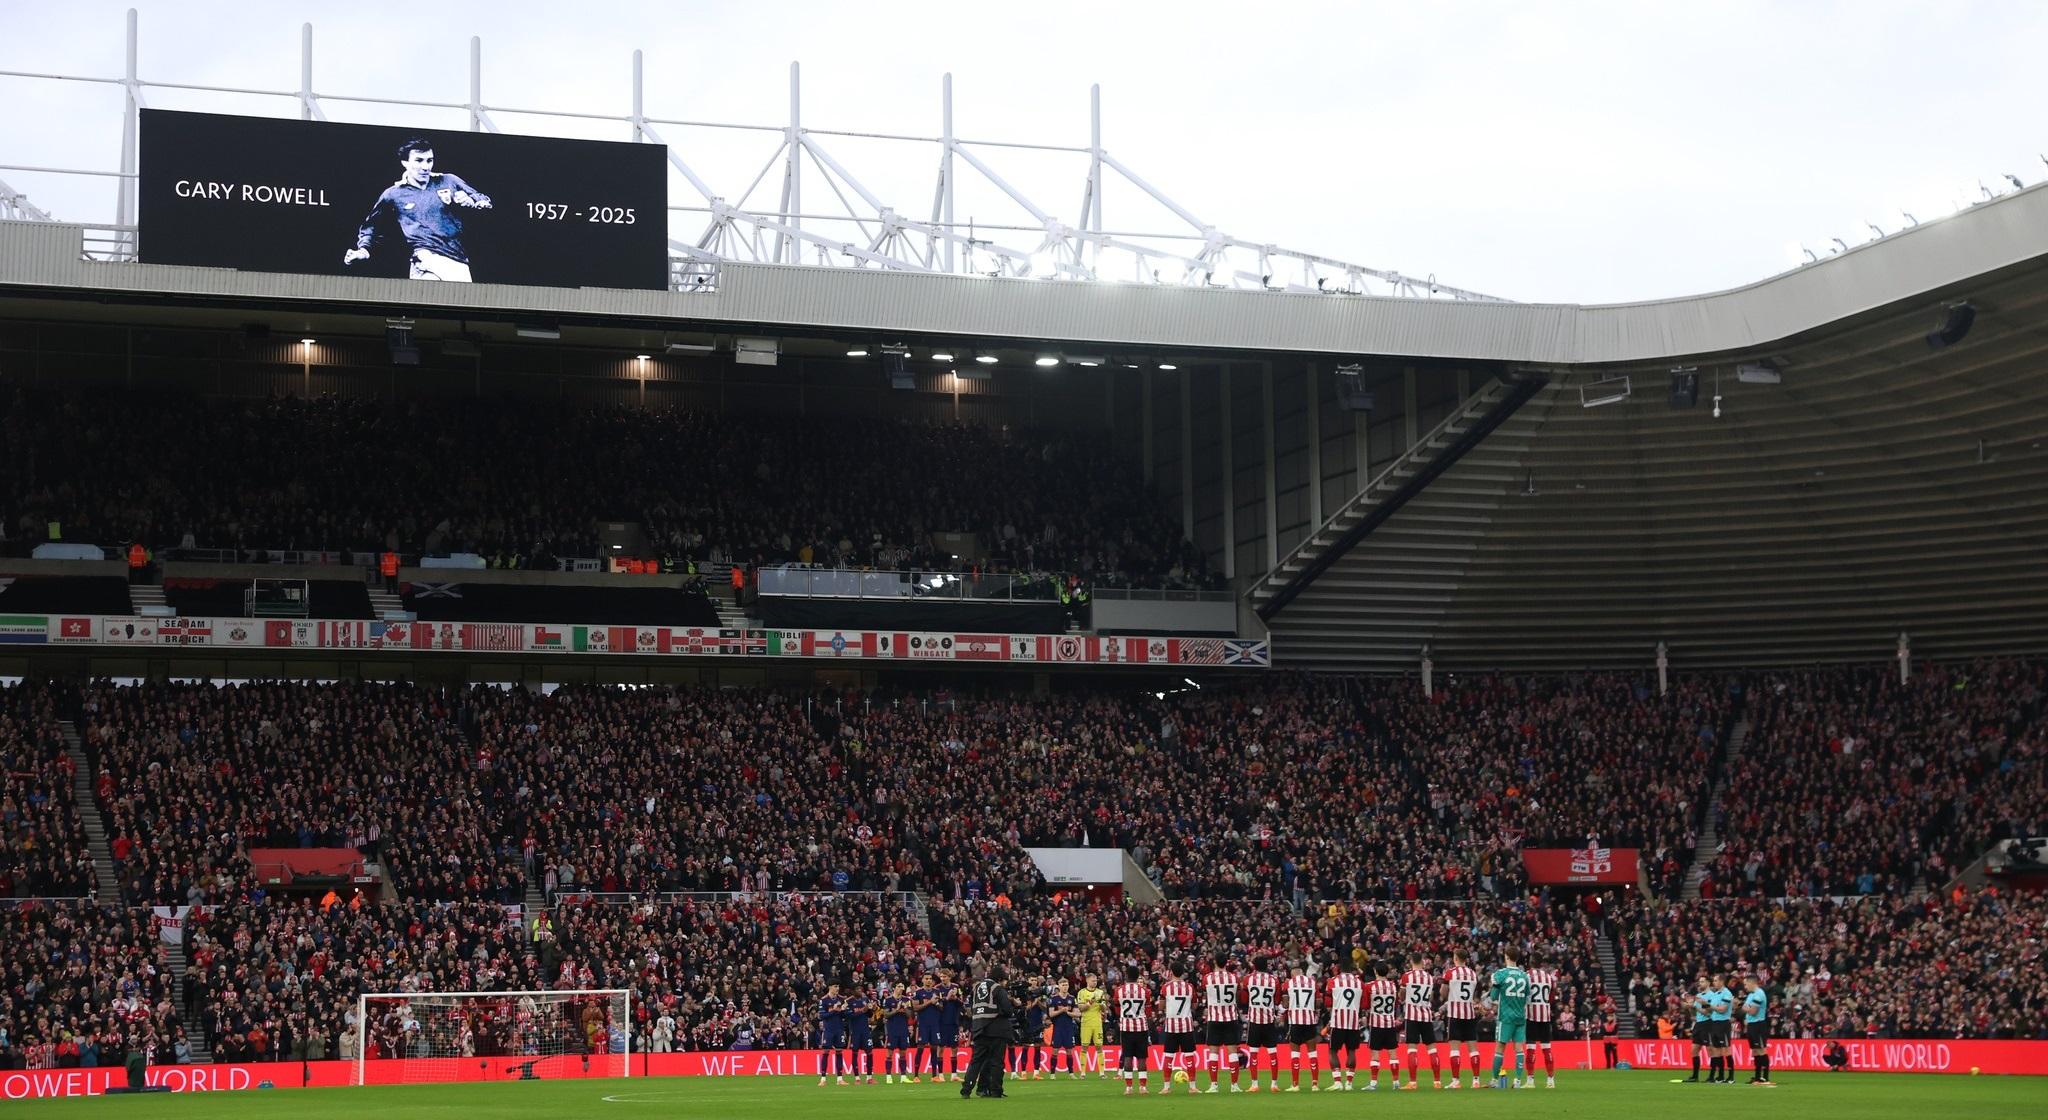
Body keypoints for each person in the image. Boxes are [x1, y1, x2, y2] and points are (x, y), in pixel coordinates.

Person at [344, 137, 492, 281]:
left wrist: (472, 201)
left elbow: (483, 200)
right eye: (419, 160)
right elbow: (371, 226)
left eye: (429, 160)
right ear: (405, 163)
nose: (425, 167)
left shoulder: (449, 180)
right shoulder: (393, 194)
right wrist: (364, 250)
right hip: (423, 258)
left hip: (456, 258)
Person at [963, 964, 1018, 1099]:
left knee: (976, 1061)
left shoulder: (977, 988)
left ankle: (966, 1089)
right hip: (996, 1029)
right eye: (1004, 980)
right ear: (999, 979)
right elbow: (1008, 1010)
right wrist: (1011, 1005)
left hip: (978, 1028)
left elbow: (972, 1007)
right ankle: (995, 1090)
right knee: (996, 1062)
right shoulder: (997, 988)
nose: (1005, 983)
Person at [1485, 948, 1529, 1090]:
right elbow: (1528, 998)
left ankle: (1494, 1080)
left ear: (1506, 957)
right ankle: (1517, 1081)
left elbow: (1493, 997)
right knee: (1519, 1048)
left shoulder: (1501, 974)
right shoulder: (1524, 976)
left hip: (1506, 1016)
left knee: (1500, 1046)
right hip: (1520, 1015)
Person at [1399, 953, 1441, 1090]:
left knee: (1412, 1049)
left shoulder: (1407, 976)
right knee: (1432, 1049)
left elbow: (1402, 996)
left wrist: (1403, 997)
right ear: (1422, 962)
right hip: (1426, 1016)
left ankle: (1413, 1082)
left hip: (1412, 1016)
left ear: (1411, 961)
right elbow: (1431, 997)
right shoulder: (1429, 977)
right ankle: (1437, 1081)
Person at [1441, 948, 1482, 1089]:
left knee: (1454, 1049)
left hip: (1455, 1014)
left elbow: (1443, 993)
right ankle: (1476, 1080)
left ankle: (1456, 1081)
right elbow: (1474, 993)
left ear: (1456, 958)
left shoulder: (1450, 973)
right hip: (1469, 1014)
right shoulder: (1473, 974)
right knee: (1473, 1048)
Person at [1200, 953, 1241, 1092]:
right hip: (1231, 1018)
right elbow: (1237, 995)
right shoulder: (1234, 978)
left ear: (1215, 962)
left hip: (1214, 1018)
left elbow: (1205, 992)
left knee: (1213, 1052)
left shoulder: (1207, 978)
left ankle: (1214, 1085)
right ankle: (1234, 1085)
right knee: (1233, 1052)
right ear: (1226, 963)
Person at [1282, 958, 1321, 1092]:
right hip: (1309, 1021)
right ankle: (1315, 1084)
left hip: (1295, 1022)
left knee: (1295, 1054)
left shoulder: (1288, 983)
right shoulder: (1313, 983)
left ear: (1293, 973)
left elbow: (1285, 1004)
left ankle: (1295, 1085)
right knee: (1312, 1053)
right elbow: (1318, 1003)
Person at [1159, 963, 1199, 1094]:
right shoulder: (1190, 987)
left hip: (1171, 1027)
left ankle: (1166, 1087)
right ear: (1182, 973)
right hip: (1186, 1026)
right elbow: (1194, 1005)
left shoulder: (1166, 987)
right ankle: (1192, 1087)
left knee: (1169, 1056)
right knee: (1189, 1056)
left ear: (1171, 972)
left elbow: (1160, 1007)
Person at [1326, 956, 1364, 1091]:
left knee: (1332, 1051)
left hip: (1338, 1021)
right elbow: (1363, 1002)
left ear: (1339, 968)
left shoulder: (1333, 981)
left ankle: (1337, 1082)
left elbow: (1328, 1000)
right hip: (1353, 1022)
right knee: (1351, 1051)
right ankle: (1349, 1083)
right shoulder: (1359, 982)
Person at [1112, 970, 1152, 1095]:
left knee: (1127, 1057)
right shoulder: (1145, 992)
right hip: (1141, 1028)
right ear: (1137, 977)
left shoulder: (1119, 991)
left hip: (1126, 1028)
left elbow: (1117, 1010)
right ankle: (1142, 1087)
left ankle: (1129, 1087)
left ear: (1126, 976)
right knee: (1142, 1058)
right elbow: (1148, 1012)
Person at [1364, 960, 1401, 1090]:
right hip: (1390, 1023)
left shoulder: (1369, 986)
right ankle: (1396, 1082)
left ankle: (1373, 1083)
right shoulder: (1393, 986)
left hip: (1376, 1024)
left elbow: (1365, 1005)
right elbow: (1396, 1003)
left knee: (1375, 1054)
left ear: (1375, 971)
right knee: (1393, 1054)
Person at [1525, 954, 1560, 1088]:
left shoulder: (1526, 976)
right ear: (1541, 963)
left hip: (1531, 1016)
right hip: (1545, 1016)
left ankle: (1530, 1080)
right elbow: (1551, 997)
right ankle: (1550, 1080)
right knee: (1547, 1049)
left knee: (1530, 1048)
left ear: (1531, 962)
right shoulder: (1549, 977)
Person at [1705, 973, 1737, 1084]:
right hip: (1714, 1023)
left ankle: (1731, 1076)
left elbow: (1722, 1009)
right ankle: (1721, 1076)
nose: (1714, 982)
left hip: (1723, 1024)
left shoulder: (1727, 993)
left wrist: (1710, 1006)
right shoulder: (1715, 994)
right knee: (1717, 1051)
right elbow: (1710, 1009)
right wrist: (1703, 1004)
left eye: (1715, 980)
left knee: (1726, 1050)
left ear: (1721, 981)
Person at [1074, 973, 1107, 1079]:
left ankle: (1102, 1073)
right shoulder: (1082, 992)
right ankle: (1083, 1073)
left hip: (1097, 1023)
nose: (1095, 982)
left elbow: (1104, 1009)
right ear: (1087, 981)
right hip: (1086, 1023)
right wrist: (1089, 1003)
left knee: (1099, 1047)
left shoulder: (1100, 992)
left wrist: (1102, 1005)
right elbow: (1080, 1008)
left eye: (1096, 980)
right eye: (1093, 980)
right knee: (1084, 1047)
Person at [1740, 976, 1771, 1085]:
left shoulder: (1759, 994)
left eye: (1746, 984)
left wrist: (1745, 1008)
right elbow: (1746, 1008)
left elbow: (1753, 1011)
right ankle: (1757, 1077)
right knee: (1755, 1051)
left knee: (1762, 1050)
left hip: (1758, 1025)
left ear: (1751, 983)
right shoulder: (1751, 995)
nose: (1745, 986)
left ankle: (1765, 1077)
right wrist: (1746, 1009)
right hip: (1752, 1025)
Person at [817, 982, 847, 1086]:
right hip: (828, 1029)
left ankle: (840, 1079)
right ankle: (823, 1079)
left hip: (839, 1029)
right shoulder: (824, 1000)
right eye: (835, 986)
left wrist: (843, 1010)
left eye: (838, 986)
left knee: (839, 1052)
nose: (837, 988)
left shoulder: (841, 999)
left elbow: (844, 1016)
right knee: (826, 1052)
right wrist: (834, 1010)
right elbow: (822, 1016)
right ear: (830, 987)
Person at [1685, 972, 1712, 1082]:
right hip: (1698, 1024)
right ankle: (1695, 1076)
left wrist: (1695, 1007)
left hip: (1707, 1024)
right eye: (1699, 982)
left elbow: (1708, 1013)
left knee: (1711, 1051)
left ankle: (1711, 1076)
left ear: (1708, 983)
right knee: (1694, 1051)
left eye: (1702, 981)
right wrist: (1689, 1007)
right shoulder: (1699, 996)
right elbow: (1694, 1014)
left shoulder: (1711, 995)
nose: (1700, 983)